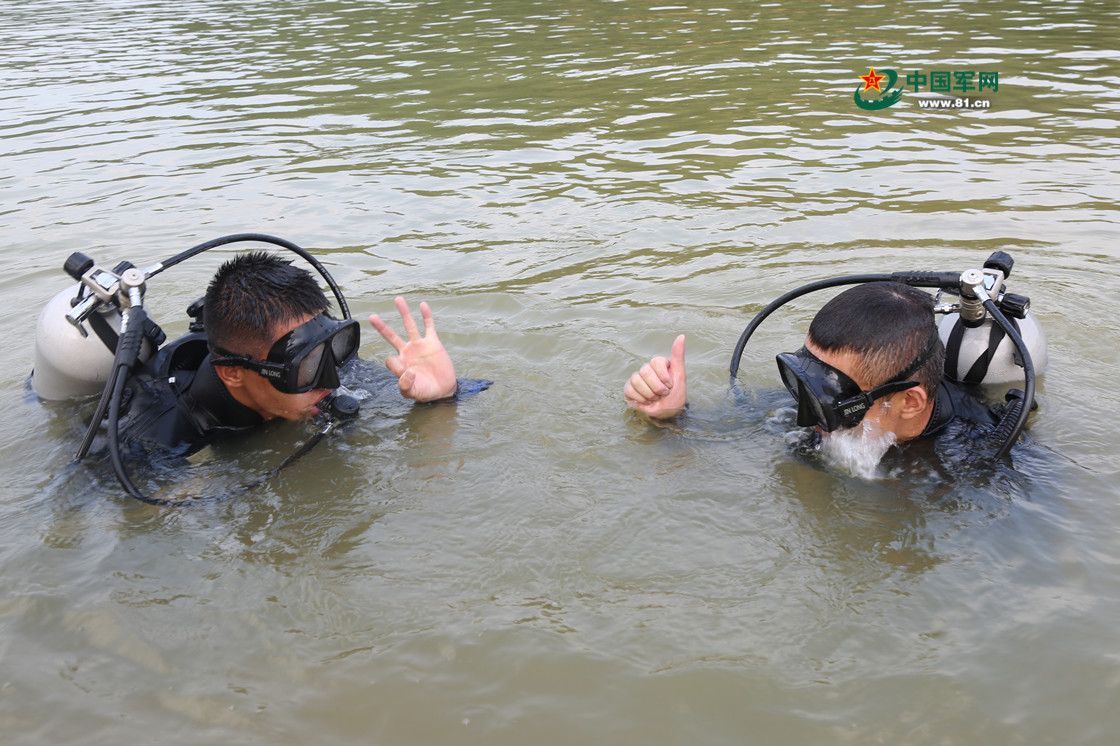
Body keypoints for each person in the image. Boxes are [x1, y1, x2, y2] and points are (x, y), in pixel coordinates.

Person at [112, 251, 470, 459]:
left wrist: (444, 394)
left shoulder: (317, 367)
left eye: (332, 349)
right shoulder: (147, 438)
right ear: (233, 373)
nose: (331, 381)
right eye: (307, 367)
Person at [623, 282, 998, 444]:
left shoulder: (977, 453)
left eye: (832, 394)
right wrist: (667, 416)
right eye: (809, 379)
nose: (806, 417)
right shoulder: (812, 411)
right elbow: (716, 442)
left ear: (910, 402)